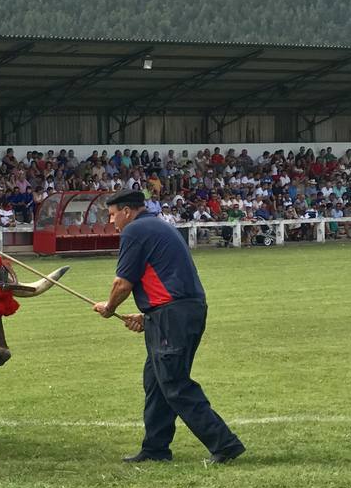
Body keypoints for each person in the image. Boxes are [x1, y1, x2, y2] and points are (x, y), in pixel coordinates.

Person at [92, 190, 246, 465]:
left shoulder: (135, 231)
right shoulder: (158, 225)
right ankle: (155, 448)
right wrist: (147, 315)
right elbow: (164, 276)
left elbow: (122, 283)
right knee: (156, 383)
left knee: (174, 382)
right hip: (175, 312)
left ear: (127, 211)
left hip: (172, 316)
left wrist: (109, 308)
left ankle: (224, 443)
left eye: (113, 214)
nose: (111, 220)